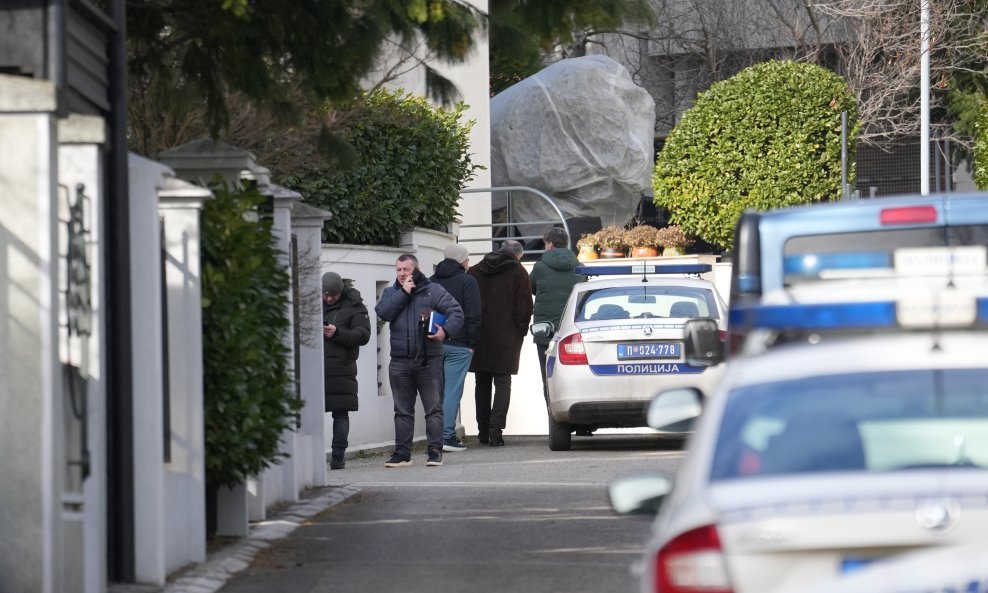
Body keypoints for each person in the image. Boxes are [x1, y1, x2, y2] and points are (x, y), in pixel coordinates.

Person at [375, 254, 464, 467]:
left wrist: (446, 331)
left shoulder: (433, 291)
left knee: (433, 408)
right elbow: (383, 313)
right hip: (399, 361)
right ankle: (402, 454)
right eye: (398, 270)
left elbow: (457, 313)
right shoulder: (391, 293)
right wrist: (404, 293)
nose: (402, 274)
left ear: (416, 270)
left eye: (406, 270)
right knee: (402, 410)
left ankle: (435, 451)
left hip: (429, 360)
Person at [468, 240, 533, 446]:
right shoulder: (519, 272)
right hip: (507, 337)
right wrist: (520, 332)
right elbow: (525, 306)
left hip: (479, 334)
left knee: (482, 382)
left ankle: (482, 431)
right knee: (503, 383)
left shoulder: (475, 270)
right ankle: (496, 432)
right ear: (518, 256)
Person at [430, 243, 482, 452]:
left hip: (433, 342)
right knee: (452, 391)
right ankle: (446, 436)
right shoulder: (468, 281)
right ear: (462, 260)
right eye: (467, 259)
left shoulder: (431, 280)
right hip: (459, 344)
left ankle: (434, 437)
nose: (469, 263)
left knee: (436, 392)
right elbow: (474, 314)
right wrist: (472, 344)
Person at [530, 227, 586, 404]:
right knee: (574, 377)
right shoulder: (580, 268)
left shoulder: (539, 267)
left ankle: (553, 422)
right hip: (572, 333)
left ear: (551, 245)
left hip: (545, 332)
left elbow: (531, 289)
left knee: (548, 379)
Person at [321, 272, 371, 470]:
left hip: (342, 369)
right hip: (316, 368)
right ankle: (312, 456)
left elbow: (363, 335)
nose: (329, 298)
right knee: (310, 414)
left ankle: (338, 456)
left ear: (341, 292)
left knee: (340, 414)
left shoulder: (355, 306)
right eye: (326, 294)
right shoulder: (312, 304)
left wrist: (337, 333)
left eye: (333, 294)